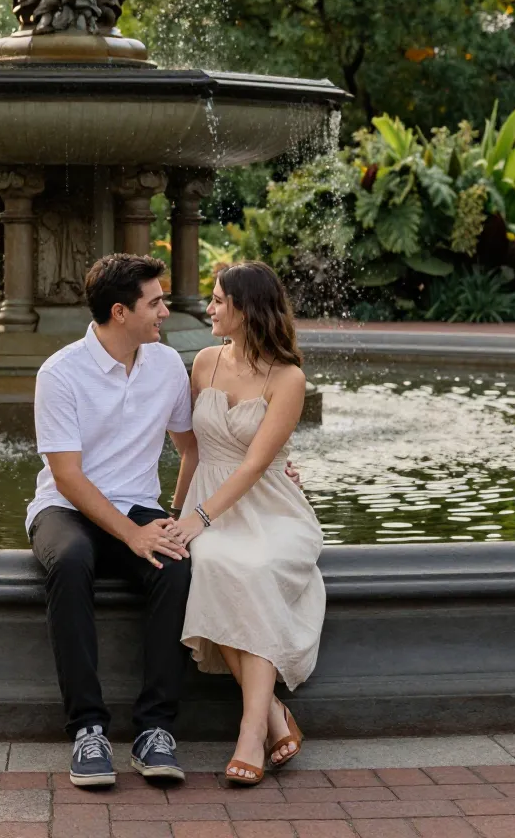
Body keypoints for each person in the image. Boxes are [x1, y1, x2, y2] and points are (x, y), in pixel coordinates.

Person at [26, 253, 195, 788]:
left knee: (177, 564)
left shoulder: (167, 365)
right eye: (155, 303)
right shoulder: (60, 373)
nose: (165, 311)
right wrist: (133, 534)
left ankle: (155, 730)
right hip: (64, 508)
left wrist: (178, 516)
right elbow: (68, 477)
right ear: (120, 312)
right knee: (71, 559)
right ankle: (87, 730)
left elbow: (193, 446)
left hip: (139, 504)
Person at [168, 261, 326, 787]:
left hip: (270, 507)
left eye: (218, 300)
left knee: (255, 568)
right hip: (208, 500)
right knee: (213, 562)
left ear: (246, 309)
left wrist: (201, 517)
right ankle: (272, 717)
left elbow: (257, 464)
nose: (208, 308)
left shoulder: (289, 378)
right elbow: (192, 451)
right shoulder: (204, 362)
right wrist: (177, 510)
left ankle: (249, 732)